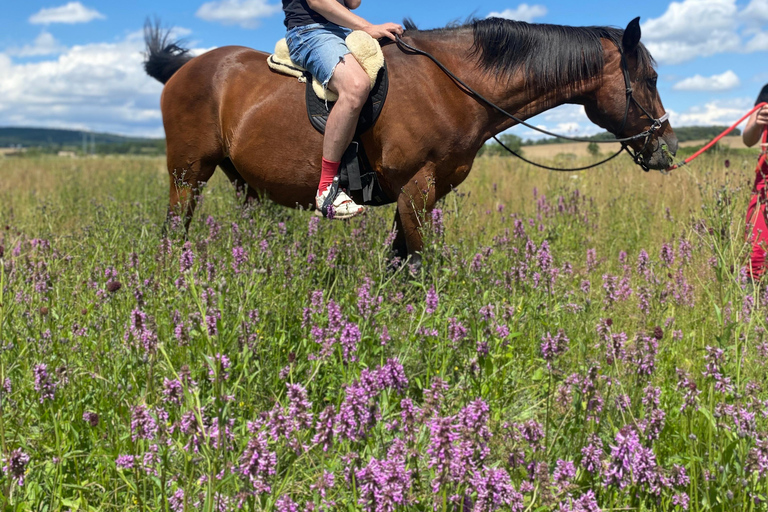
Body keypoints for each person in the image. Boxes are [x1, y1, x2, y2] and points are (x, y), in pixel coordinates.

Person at [283, 0, 403, 218]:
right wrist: (367, 27)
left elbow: (353, 3)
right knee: (356, 86)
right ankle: (326, 188)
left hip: (341, 31)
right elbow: (317, 2)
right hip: (308, 32)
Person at [743, 84, 768, 280]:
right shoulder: (766, 92)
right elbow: (749, 139)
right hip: (764, 184)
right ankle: (754, 306)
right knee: (756, 253)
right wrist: (756, 123)